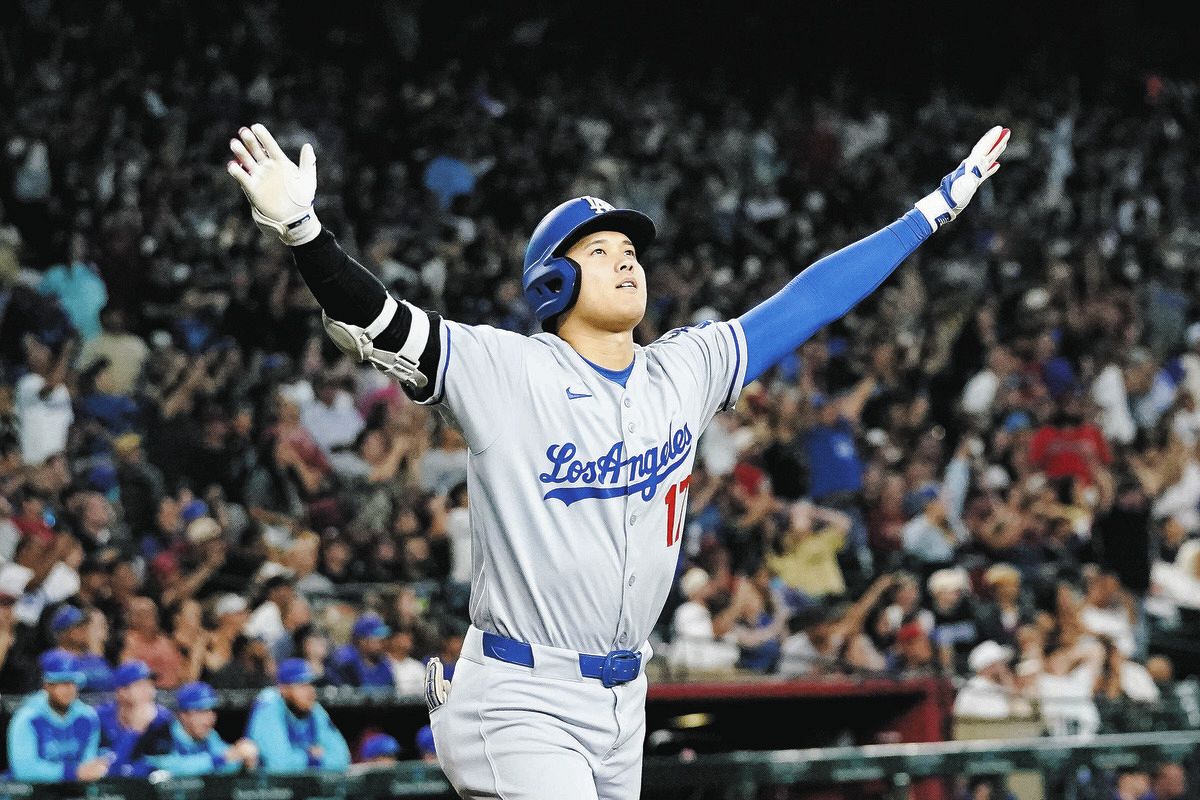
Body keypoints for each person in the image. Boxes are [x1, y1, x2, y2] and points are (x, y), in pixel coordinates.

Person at [227, 120, 1008, 798]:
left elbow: (808, 302)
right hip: (521, 694)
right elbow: (380, 320)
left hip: (623, 697)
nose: (627, 260)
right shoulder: (509, 371)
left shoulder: (686, 370)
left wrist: (929, 213)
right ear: (555, 278)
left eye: (631, 249)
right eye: (600, 250)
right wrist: (305, 234)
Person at [6, 651, 110, 782]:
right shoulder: (27, 718)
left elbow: (88, 764)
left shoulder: (87, 717)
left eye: (73, 682)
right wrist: (72, 773)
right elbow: (24, 770)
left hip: (75, 789)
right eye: (62, 682)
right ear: (47, 685)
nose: (69, 689)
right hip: (34, 790)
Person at [244, 657, 350, 774]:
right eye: (302, 685)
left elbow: (342, 759)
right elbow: (280, 765)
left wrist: (300, 757)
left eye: (311, 684)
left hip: (306, 783)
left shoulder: (314, 709)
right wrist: (312, 756)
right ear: (283, 689)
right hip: (269, 785)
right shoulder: (268, 707)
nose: (310, 691)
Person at [136, 681, 259, 777]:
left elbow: (227, 761)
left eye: (211, 711)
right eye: (201, 711)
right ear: (183, 715)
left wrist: (242, 757)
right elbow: (169, 767)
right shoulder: (161, 735)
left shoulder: (210, 735)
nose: (209, 718)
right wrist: (221, 759)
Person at [96, 660, 175, 777]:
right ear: (122, 692)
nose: (149, 691)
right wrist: (134, 731)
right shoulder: (100, 718)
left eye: (151, 685)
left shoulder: (162, 720)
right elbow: (105, 769)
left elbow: (166, 766)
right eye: (141, 685)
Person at [45, 603, 114, 692]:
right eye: (78, 626)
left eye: (85, 625)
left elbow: (111, 680)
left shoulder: (91, 657)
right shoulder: (52, 658)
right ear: (63, 633)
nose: (84, 629)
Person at [326, 612, 395, 688]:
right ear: (362, 641)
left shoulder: (384, 663)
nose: (383, 644)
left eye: (383, 640)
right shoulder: (344, 662)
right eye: (378, 640)